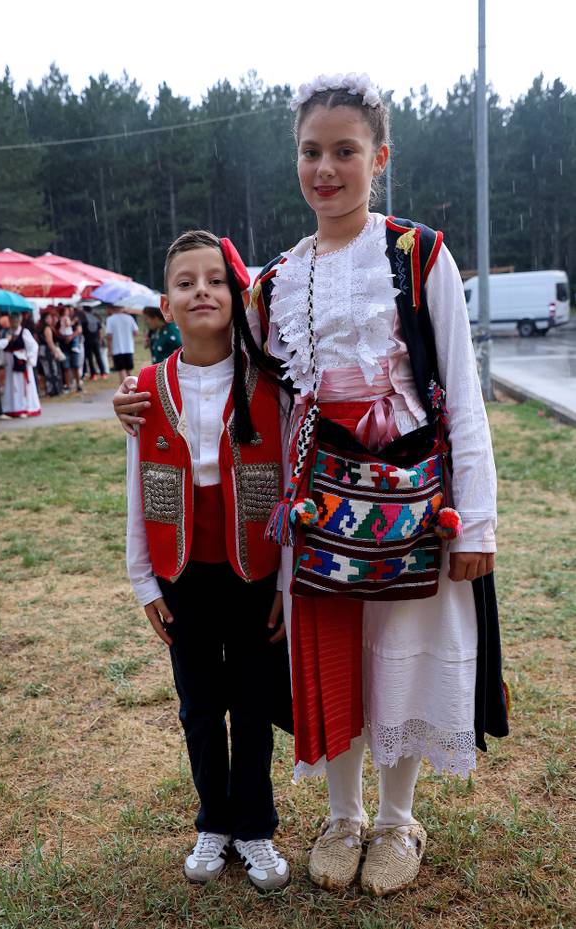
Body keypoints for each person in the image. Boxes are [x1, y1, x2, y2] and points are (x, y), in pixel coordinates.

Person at [113, 74, 509, 898]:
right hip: (316, 509)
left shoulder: (419, 254)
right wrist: (141, 394)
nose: (325, 168)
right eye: (310, 151)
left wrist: (475, 524)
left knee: (397, 658)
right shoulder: (274, 282)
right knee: (331, 661)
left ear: (379, 158)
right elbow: (238, 378)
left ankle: (398, 821)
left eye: (345, 151)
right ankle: (341, 814)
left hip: (410, 503)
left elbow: (463, 392)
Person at [125, 230, 291, 892]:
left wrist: (288, 578)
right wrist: (143, 579)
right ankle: (213, 819)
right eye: (186, 281)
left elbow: (286, 480)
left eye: (216, 280)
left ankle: (254, 826)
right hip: (183, 572)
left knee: (253, 702)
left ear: (238, 295)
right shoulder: (146, 387)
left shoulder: (271, 383)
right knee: (199, 705)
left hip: (255, 572)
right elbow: (136, 484)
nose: (202, 290)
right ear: (166, 305)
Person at [2, 310, 41, 418]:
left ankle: (25, 408)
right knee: (12, 385)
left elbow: (33, 346)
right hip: (10, 363)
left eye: (16, 320)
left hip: (21, 362)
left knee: (23, 386)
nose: (14, 322)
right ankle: (12, 407)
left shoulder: (24, 332)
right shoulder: (7, 333)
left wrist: (28, 357)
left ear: (20, 320)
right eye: (12, 320)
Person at [105, 306, 138, 381]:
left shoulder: (110, 319)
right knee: (129, 371)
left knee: (121, 370)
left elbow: (109, 336)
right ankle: (132, 389)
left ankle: (125, 391)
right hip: (129, 348)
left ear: (113, 308)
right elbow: (135, 332)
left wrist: (110, 350)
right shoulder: (129, 318)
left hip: (117, 349)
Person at [36, 310, 63, 397]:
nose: (51, 319)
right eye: (49, 318)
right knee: (52, 370)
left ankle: (51, 389)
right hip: (48, 351)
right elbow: (50, 342)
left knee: (48, 371)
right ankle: (53, 390)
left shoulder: (41, 328)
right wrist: (55, 352)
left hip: (42, 350)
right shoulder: (47, 328)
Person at [77, 305, 107, 379]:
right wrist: (100, 339)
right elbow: (100, 331)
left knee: (90, 358)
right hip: (96, 340)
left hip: (87, 341)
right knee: (98, 357)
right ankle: (103, 373)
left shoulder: (83, 319)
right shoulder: (96, 319)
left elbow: (81, 332)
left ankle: (93, 375)